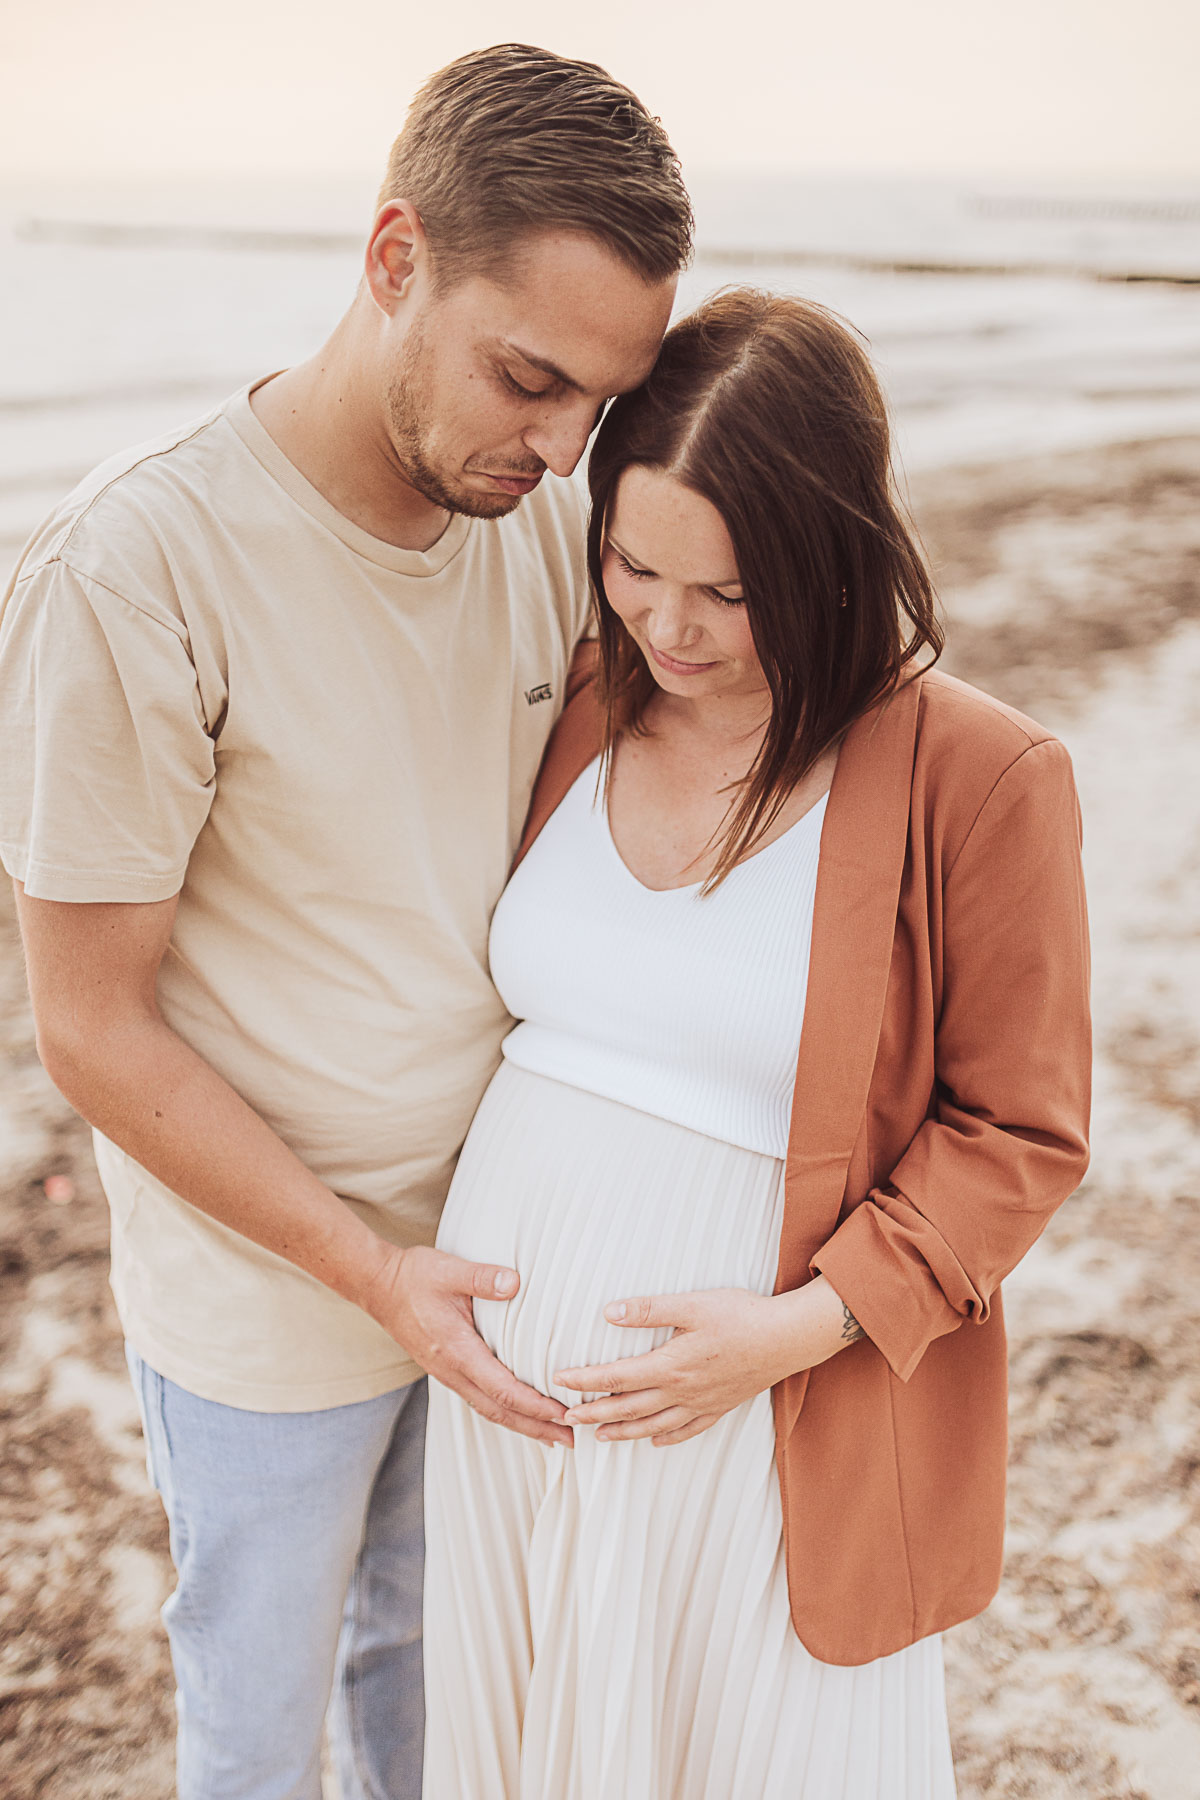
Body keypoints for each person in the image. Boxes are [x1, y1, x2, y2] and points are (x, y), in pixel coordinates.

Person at [0, 44, 690, 1800]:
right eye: (528, 377)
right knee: (257, 1723)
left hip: (509, 1251)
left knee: (443, 1703)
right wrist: (372, 1271)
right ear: (394, 259)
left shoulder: (542, 525)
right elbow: (88, 1027)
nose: (558, 450)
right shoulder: (130, 575)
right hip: (270, 1300)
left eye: (596, 407)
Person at [422, 287, 1092, 1799]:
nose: (668, 624)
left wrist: (789, 1336)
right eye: (633, 565)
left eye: (726, 593)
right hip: (509, 1432)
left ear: (831, 558)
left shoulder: (980, 777)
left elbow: (1023, 1134)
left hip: (771, 1421)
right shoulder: (583, 698)